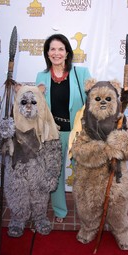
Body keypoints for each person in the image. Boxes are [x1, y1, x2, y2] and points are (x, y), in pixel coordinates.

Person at [36, 33, 91, 223]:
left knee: (83, 175)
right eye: (52, 49)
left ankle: (86, 211)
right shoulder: (41, 77)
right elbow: (38, 108)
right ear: (47, 53)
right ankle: (59, 211)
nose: (56, 53)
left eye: (61, 49)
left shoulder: (81, 73)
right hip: (53, 133)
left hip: (78, 134)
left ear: (67, 53)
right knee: (55, 174)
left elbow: (95, 100)